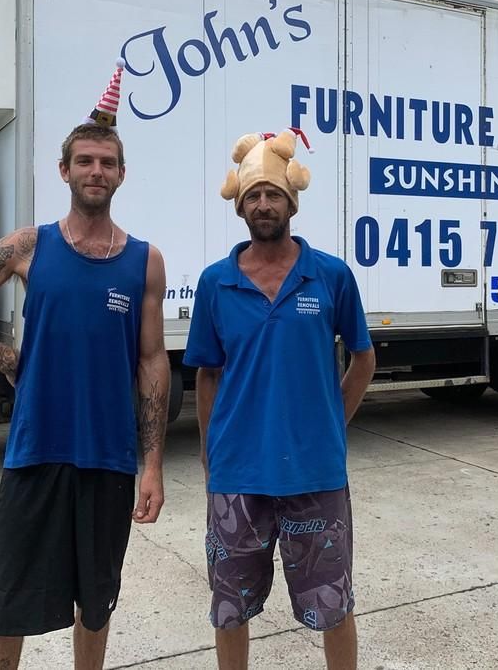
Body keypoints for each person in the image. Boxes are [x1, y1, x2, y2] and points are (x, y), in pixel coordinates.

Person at [0, 61, 169, 670]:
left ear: (122, 175)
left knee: (96, 607)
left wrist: (152, 464)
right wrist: (11, 359)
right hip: (35, 456)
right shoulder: (29, 247)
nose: (96, 171)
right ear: (64, 170)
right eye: (85, 161)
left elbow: (152, 361)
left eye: (107, 163)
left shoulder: (145, 261)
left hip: (108, 460)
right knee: (8, 612)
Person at [183, 128, 377, 670]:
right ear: (240, 205)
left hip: (315, 475)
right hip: (236, 475)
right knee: (230, 608)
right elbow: (207, 376)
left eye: (273, 194)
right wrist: (208, 451)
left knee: (333, 604)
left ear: (292, 200)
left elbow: (363, 360)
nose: (263, 204)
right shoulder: (215, 283)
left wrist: (332, 425)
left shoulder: (331, 277)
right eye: (253, 196)